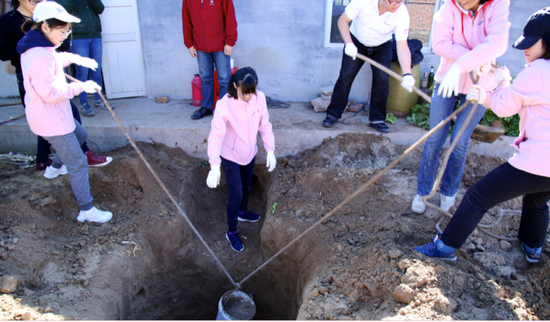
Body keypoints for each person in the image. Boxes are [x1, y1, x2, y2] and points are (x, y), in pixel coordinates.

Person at [414, 7, 550, 263]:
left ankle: (444, 247)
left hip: (539, 161)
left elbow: (505, 106)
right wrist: (495, 80)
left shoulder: (538, 72)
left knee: (477, 196)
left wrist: (493, 89)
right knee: (539, 201)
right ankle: (533, 249)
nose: (525, 50)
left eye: (532, 43)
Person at [411, 0, 510, 214]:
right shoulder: (450, 6)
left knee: (459, 142)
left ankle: (448, 192)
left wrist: (467, 61)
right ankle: (423, 191)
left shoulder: (498, 5)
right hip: (448, 79)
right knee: (435, 137)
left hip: (480, 85)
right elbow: (439, 44)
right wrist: (475, 57)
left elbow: (497, 43)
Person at [17, 1, 112, 223]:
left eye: (68, 30)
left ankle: (53, 169)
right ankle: (86, 211)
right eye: (63, 31)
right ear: (45, 27)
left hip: (55, 116)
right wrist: (82, 86)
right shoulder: (39, 55)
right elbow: (50, 93)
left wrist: (77, 59)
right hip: (52, 121)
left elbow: (55, 58)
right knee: (78, 163)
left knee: (80, 135)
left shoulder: (39, 47)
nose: (66, 35)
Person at [0, 0, 110, 171]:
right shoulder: (10, 21)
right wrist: (33, 50)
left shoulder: (52, 16)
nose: (36, 2)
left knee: (65, 118)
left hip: (51, 71)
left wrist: (62, 52)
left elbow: (61, 47)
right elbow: (4, 51)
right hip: (29, 75)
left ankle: (53, 162)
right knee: (46, 120)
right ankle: (53, 159)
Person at [206, 67, 276, 252]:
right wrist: (214, 165)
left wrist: (270, 150)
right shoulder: (224, 105)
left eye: (251, 92)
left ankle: (242, 212)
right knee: (235, 194)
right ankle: (232, 231)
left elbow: (265, 125)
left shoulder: (259, 98)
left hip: (249, 153)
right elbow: (216, 135)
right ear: (235, 85)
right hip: (230, 155)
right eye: (244, 93)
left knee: (246, 187)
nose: (248, 97)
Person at [322, 0, 416, 133]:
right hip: (356, 42)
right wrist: (349, 44)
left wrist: (407, 74)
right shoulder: (363, 1)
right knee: (346, 77)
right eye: (393, 1)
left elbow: (402, 48)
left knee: (382, 81)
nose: (397, 5)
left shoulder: (401, 12)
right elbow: (342, 21)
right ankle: (332, 115)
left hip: (382, 46)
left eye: (400, 1)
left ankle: (377, 120)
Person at [182, 0, 237, 120]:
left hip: (221, 46)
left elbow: (230, 17)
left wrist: (230, 42)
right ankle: (206, 107)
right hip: (200, 46)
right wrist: (189, 44)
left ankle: (224, 111)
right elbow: (186, 21)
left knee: (224, 79)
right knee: (205, 78)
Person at [56, 0, 106, 117]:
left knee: (96, 69)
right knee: (82, 71)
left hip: (95, 35)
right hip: (77, 37)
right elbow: (62, 10)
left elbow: (100, 9)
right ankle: (84, 104)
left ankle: (99, 100)